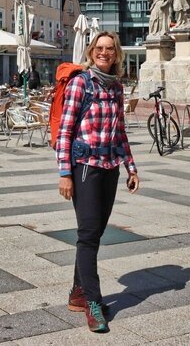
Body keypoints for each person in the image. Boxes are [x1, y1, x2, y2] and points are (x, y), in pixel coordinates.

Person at [55, 31, 140, 333]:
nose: (104, 53)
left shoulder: (116, 87)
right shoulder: (81, 83)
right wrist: (65, 173)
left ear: (116, 54)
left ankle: (78, 293)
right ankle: (93, 302)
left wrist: (131, 168)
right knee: (88, 235)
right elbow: (65, 132)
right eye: (99, 48)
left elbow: (120, 133)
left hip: (110, 168)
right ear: (91, 52)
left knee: (97, 232)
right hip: (86, 168)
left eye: (109, 49)